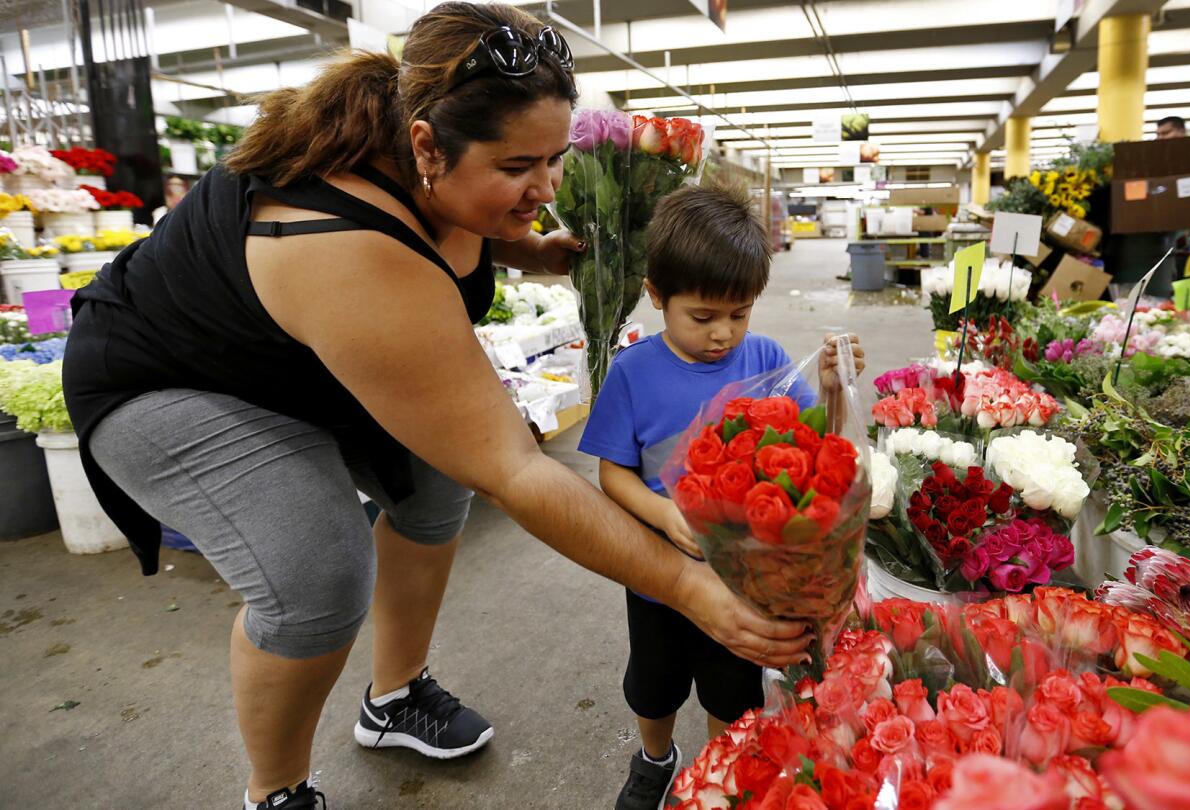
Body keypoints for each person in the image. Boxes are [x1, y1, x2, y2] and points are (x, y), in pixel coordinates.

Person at [61, 5, 810, 809]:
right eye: (521, 164)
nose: (548, 187)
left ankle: (394, 697)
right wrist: (690, 589)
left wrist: (528, 246)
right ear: (426, 147)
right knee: (319, 574)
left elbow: (454, 216)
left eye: (557, 158)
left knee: (432, 481)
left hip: (301, 357)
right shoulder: (342, 245)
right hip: (177, 379)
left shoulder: (421, 147)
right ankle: (276, 791)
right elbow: (515, 471)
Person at [577, 182, 865, 810]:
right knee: (653, 686)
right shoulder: (632, 373)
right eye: (702, 317)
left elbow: (817, 451)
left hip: (744, 581)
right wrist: (663, 513)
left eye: (739, 313)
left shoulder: (765, 357)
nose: (722, 335)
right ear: (657, 296)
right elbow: (613, 474)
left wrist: (833, 388)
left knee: (730, 693)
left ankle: (718, 775)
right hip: (657, 576)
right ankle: (655, 758)